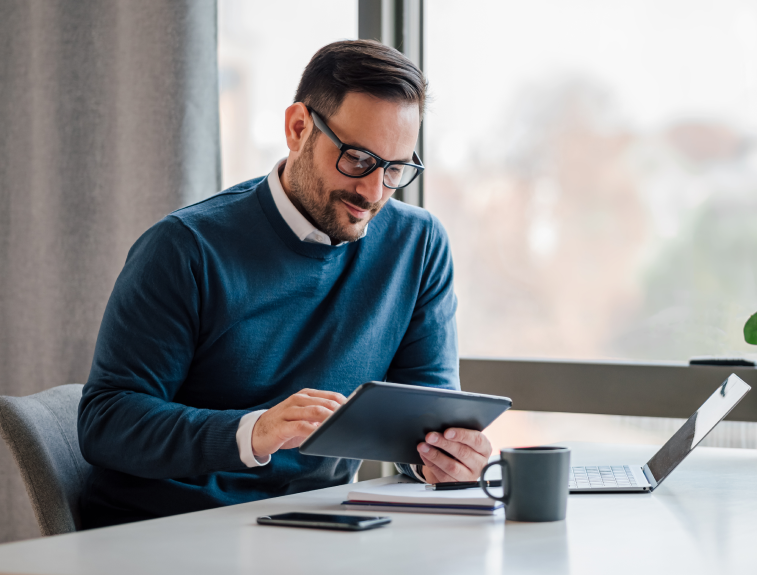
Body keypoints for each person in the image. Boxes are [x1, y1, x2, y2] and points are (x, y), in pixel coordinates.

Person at [77, 39, 493, 529]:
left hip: (319, 526)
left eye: (395, 169)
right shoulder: (185, 248)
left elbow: (424, 420)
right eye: (358, 159)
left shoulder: (417, 246)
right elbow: (106, 422)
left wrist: (444, 456)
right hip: (169, 528)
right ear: (299, 129)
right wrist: (253, 431)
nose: (373, 191)